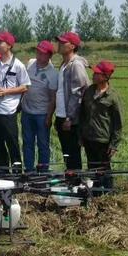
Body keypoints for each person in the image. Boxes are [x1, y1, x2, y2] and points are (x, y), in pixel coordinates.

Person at [0, 31, 30, 176]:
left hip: (8, 111)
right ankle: (3, 175)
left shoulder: (18, 65)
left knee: (13, 145)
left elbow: (25, 86)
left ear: (9, 45)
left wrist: (7, 92)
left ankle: (16, 175)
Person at [79, 60, 123, 190]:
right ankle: (96, 192)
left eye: (97, 74)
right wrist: (80, 135)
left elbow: (118, 123)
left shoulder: (112, 97)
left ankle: (108, 193)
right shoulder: (89, 91)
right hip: (88, 138)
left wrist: (114, 144)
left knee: (104, 169)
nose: (93, 75)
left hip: (103, 139)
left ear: (105, 77)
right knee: (92, 167)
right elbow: (82, 114)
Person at [20, 40, 58, 172]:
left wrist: (49, 117)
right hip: (27, 112)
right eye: (37, 52)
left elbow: (53, 99)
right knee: (27, 143)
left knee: (43, 144)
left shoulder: (53, 74)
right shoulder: (30, 63)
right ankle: (29, 170)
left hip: (42, 114)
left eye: (42, 53)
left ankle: (43, 171)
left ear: (49, 56)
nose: (38, 55)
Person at [54, 31, 89, 171]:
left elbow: (79, 92)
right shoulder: (64, 64)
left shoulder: (76, 65)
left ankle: (76, 183)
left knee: (73, 153)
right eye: (59, 42)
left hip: (70, 118)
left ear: (72, 46)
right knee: (67, 154)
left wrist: (70, 117)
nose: (60, 44)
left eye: (63, 42)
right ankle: (71, 181)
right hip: (61, 115)